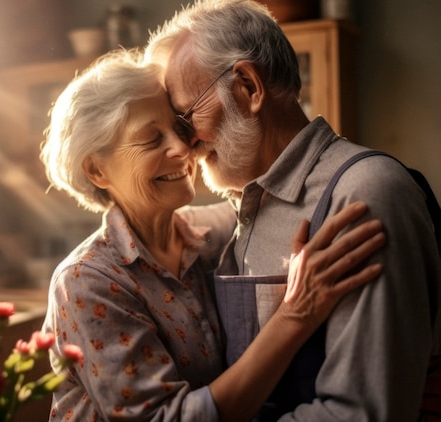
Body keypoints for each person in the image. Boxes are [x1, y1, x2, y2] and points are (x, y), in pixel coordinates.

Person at [39, 50, 385, 421]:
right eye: (152, 139)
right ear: (97, 170)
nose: (182, 148)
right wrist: (294, 315)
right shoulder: (85, 282)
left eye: (180, 128)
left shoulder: (214, 234)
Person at [144, 0, 441, 420]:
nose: (186, 143)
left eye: (187, 117)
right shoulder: (247, 204)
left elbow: (362, 414)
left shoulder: (365, 195)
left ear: (248, 87)